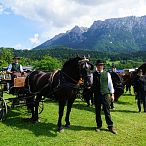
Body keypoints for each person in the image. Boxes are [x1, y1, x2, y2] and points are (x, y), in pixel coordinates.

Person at [93, 59, 117, 134]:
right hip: (97, 95)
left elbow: (110, 85)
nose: (100, 66)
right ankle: (99, 126)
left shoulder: (107, 74)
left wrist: (112, 94)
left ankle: (110, 126)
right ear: (96, 66)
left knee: (107, 111)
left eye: (101, 65)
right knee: (97, 111)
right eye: (98, 65)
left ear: (103, 66)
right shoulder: (93, 74)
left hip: (105, 95)